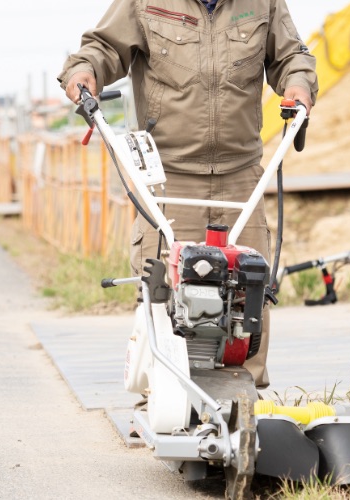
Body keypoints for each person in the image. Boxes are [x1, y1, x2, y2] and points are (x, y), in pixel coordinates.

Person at [58, 0, 318, 388]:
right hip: (168, 174)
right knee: (163, 291)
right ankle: (161, 396)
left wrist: (299, 84)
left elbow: (291, 56)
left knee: (249, 289)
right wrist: (84, 70)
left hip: (240, 174)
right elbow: (104, 47)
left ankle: (242, 400)